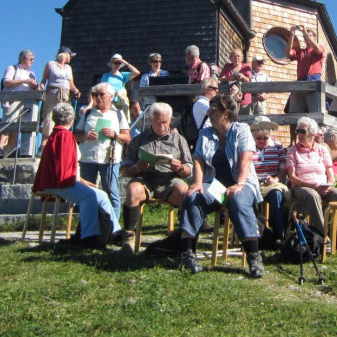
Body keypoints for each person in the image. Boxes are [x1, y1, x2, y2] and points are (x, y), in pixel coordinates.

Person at [179, 93, 265, 278]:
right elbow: (199, 159)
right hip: (216, 185)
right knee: (193, 197)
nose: (209, 112)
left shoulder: (241, 129)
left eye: (213, 109)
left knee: (238, 201)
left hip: (241, 182)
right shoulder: (206, 132)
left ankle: (253, 256)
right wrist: (198, 183)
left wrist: (239, 184)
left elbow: (246, 158)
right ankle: (188, 253)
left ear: (226, 113)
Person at [33, 102, 120, 247]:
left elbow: (66, 166)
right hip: (58, 181)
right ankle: (88, 236)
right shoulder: (65, 135)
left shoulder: (58, 134)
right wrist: (78, 181)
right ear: (71, 119)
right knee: (88, 196)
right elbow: (64, 167)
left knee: (102, 195)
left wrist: (82, 181)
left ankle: (115, 233)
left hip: (61, 178)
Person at [119, 102, 193, 254]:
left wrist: (179, 167)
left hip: (171, 180)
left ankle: (182, 237)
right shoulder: (139, 140)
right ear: (150, 119)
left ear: (171, 120)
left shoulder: (179, 140)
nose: (161, 125)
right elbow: (125, 171)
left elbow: (189, 170)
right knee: (133, 190)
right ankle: (128, 237)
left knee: (185, 193)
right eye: (157, 122)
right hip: (146, 179)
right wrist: (137, 168)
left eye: (165, 122)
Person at [287, 117, 337, 246]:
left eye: (303, 131)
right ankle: (322, 236)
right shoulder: (292, 151)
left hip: (323, 185)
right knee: (312, 195)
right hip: (301, 186)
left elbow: (330, 174)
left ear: (313, 134)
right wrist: (312, 185)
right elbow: (292, 177)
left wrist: (328, 184)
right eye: (298, 131)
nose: (299, 134)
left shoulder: (322, 150)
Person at [74, 83, 130, 218]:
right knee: (86, 192)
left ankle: (113, 228)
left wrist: (114, 135)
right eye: (95, 95)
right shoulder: (88, 113)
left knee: (111, 193)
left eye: (101, 94)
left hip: (109, 159)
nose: (98, 98)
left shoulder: (118, 114)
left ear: (111, 96)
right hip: (88, 157)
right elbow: (76, 135)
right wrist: (85, 136)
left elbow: (127, 137)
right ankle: (87, 227)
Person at [250, 117, 288, 242]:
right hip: (252, 182)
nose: (262, 141)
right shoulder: (247, 146)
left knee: (277, 194)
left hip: (271, 183)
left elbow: (283, 168)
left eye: (265, 138)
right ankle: (252, 233)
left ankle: (279, 234)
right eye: (258, 138)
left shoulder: (277, 145)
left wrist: (276, 179)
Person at [39, 48, 81, 153]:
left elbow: (71, 84)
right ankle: (44, 145)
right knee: (49, 117)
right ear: (64, 54)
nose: (71, 57)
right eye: (69, 55)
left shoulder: (68, 68)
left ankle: (59, 144)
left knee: (64, 118)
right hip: (53, 92)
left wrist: (75, 90)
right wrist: (41, 89)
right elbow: (44, 80)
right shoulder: (51, 64)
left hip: (65, 94)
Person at [0, 50, 39, 159]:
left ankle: (9, 154)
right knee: (8, 122)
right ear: (22, 58)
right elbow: (6, 82)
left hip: (25, 103)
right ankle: (0, 147)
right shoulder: (12, 68)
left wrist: (35, 86)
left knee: (17, 129)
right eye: (30, 59)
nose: (32, 61)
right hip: (13, 99)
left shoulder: (32, 73)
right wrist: (23, 81)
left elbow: (35, 88)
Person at [285, 25, 326, 113]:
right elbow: (288, 53)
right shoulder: (300, 52)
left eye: (309, 35)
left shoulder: (320, 48)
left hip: (314, 82)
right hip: (300, 82)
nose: (306, 38)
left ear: (315, 38)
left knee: (315, 112)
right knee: (294, 112)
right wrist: (292, 35)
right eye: (305, 37)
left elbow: (318, 50)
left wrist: (305, 33)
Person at [220, 49, 253, 115]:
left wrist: (243, 77)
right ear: (231, 58)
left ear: (242, 58)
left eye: (238, 56)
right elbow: (221, 79)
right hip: (230, 101)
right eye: (234, 56)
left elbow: (249, 80)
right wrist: (229, 78)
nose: (236, 58)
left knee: (246, 121)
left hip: (245, 101)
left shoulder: (246, 67)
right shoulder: (227, 66)